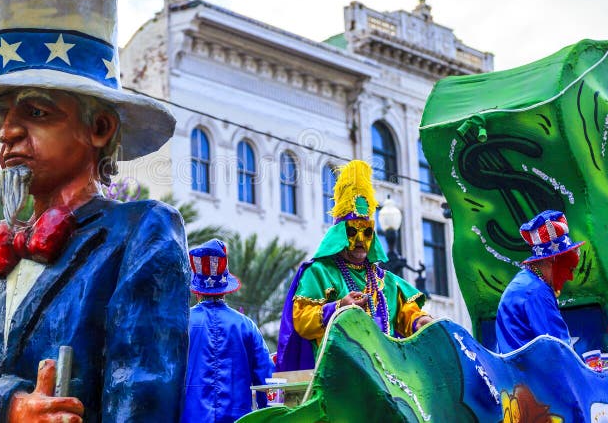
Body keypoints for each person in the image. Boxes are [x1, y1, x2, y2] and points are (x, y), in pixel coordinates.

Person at [0, 0, 190, 422]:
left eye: (36, 112)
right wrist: (13, 406)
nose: (7, 131)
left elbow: (142, 390)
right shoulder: (9, 251)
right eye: (6, 114)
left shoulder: (142, 233)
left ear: (99, 128)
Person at [276, 160, 434, 371]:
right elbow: (302, 321)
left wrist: (420, 321)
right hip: (337, 378)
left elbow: (408, 313)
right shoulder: (319, 273)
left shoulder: (386, 281)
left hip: (386, 377)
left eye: (366, 232)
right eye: (352, 232)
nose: (360, 240)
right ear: (340, 234)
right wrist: (339, 307)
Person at [182, 239, 275, 422]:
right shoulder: (246, 326)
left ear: (196, 291)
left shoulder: (182, 323)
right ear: (225, 289)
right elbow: (266, 380)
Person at [495, 210, 582, 353]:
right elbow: (561, 351)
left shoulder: (525, 282)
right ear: (552, 260)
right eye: (569, 269)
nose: (570, 277)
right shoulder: (536, 291)